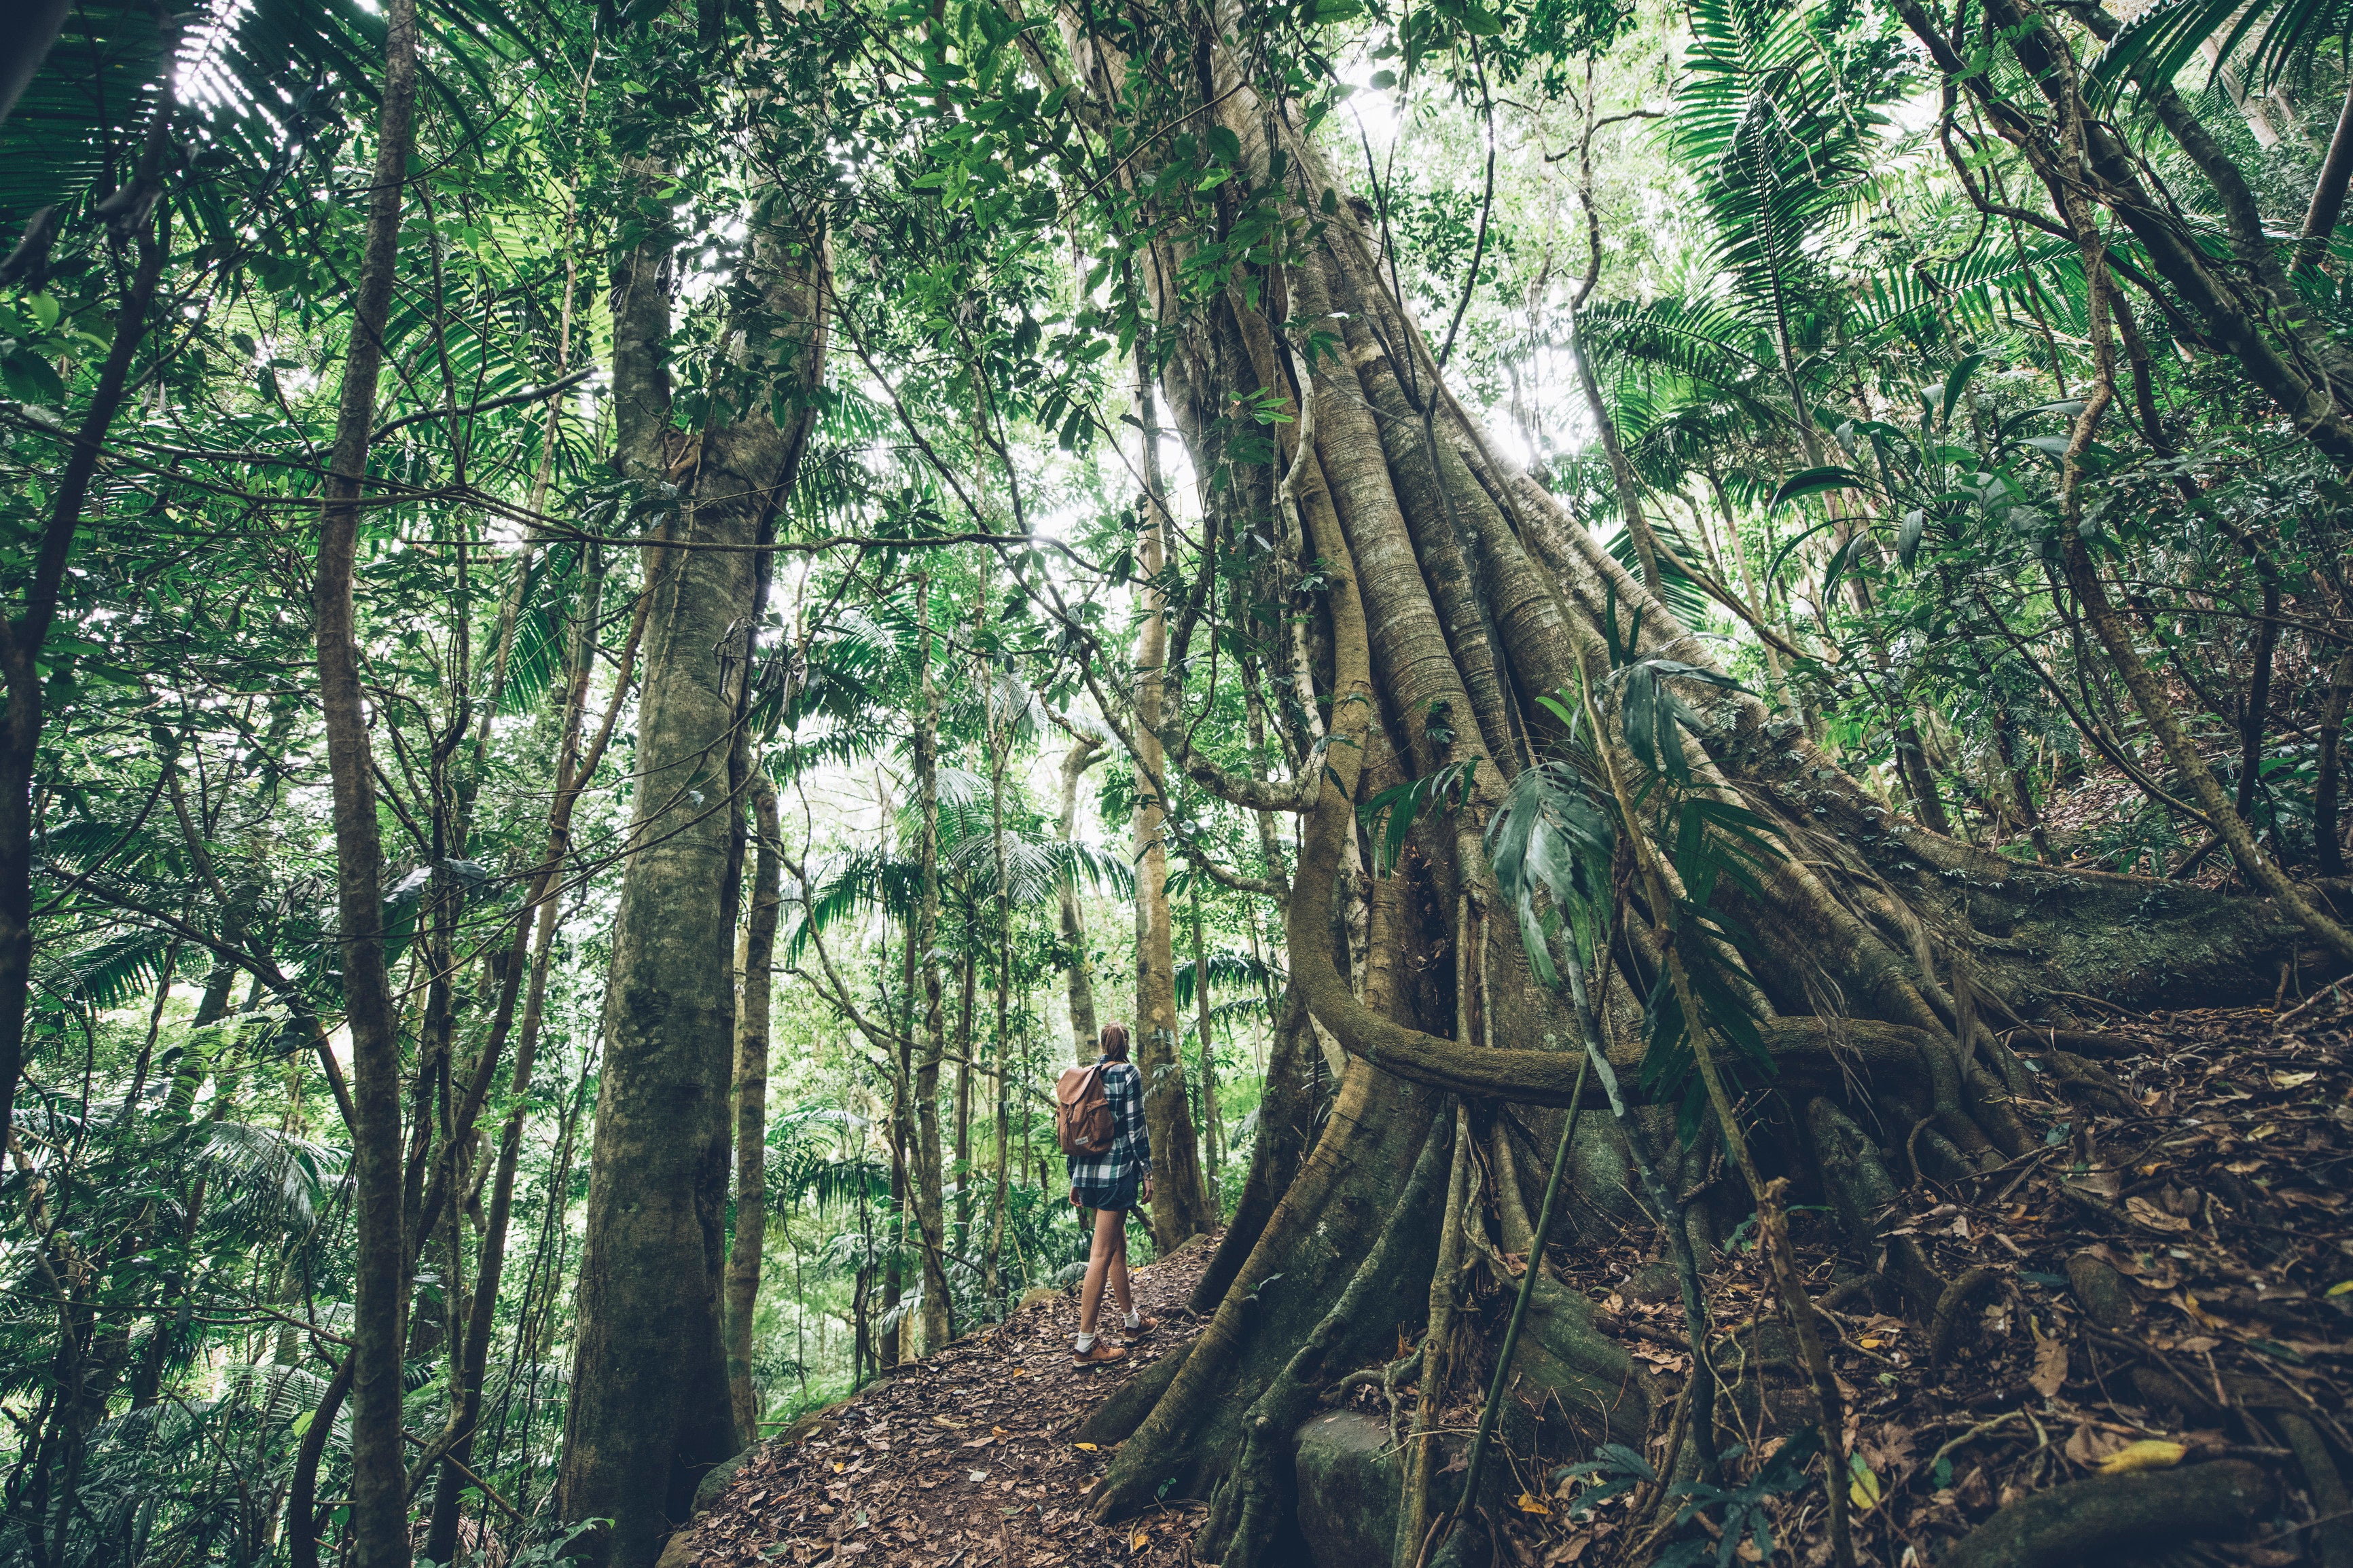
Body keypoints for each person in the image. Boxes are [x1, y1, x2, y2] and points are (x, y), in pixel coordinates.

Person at [1067, 1022, 1156, 1364]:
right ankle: (1085, 1346)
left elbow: (1075, 1128)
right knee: (1101, 1254)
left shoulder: (1089, 1075)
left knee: (1117, 1248)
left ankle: (1132, 1323)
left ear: (1104, 1044)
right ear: (1126, 1044)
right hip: (1117, 1174)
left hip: (1088, 1174)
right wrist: (1147, 1172)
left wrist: (1075, 1178)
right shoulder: (1128, 1074)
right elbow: (1135, 1128)